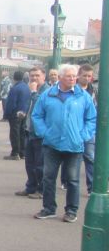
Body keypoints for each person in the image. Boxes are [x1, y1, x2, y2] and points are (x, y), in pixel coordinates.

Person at [31, 64, 97, 222]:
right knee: (48, 178)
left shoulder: (83, 96)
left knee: (73, 180)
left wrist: (83, 136)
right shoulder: (48, 95)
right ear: (60, 77)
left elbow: (91, 118)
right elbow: (37, 115)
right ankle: (48, 208)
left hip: (74, 145)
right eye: (69, 76)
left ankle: (71, 211)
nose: (73, 78)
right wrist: (44, 133)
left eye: (74, 76)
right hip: (52, 145)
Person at [15, 67, 48, 199]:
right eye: (32, 76)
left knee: (40, 164)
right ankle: (30, 187)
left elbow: (42, 105)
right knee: (29, 163)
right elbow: (31, 107)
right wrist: (24, 113)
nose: (34, 78)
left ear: (43, 76)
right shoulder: (32, 90)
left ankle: (41, 190)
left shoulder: (47, 91)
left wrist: (33, 92)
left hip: (40, 133)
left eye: (37, 75)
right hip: (29, 131)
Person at [77, 63, 97, 194]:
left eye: (89, 76)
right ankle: (69, 182)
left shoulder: (95, 91)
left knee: (90, 157)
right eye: (84, 75)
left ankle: (91, 187)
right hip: (75, 129)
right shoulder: (73, 90)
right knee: (73, 159)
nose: (87, 78)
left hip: (89, 130)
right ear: (79, 76)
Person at [3, 70, 30, 160]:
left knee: (14, 134)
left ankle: (15, 153)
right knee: (22, 133)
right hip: (24, 113)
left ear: (14, 78)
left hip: (15, 114)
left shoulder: (15, 88)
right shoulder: (27, 87)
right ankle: (23, 152)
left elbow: (11, 103)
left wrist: (6, 114)